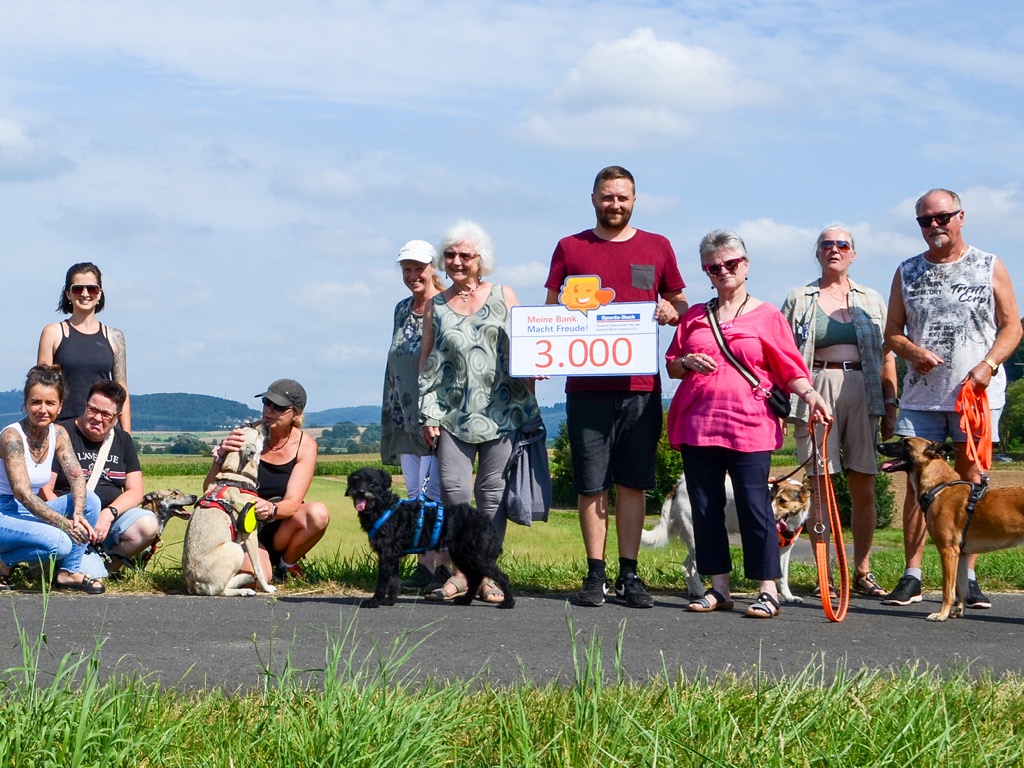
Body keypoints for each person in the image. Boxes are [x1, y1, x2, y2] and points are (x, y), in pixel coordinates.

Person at [665, 230, 831, 618]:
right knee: (706, 509)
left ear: (746, 266)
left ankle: (768, 589)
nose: (723, 271)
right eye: (714, 266)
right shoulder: (694, 317)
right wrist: (686, 362)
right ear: (706, 271)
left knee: (756, 507)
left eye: (731, 264)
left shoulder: (768, 315)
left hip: (750, 427)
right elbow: (673, 364)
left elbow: (791, 368)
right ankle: (718, 588)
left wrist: (811, 396)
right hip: (698, 425)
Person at [544, 166, 687, 608]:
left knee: (633, 482)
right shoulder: (570, 247)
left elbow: (681, 302)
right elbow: (550, 310)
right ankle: (594, 574)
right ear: (593, 199)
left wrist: (670, 309)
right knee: (591, 484)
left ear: (634, 200)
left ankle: (629, 574)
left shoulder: (658, 246)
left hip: (640, 387)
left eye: (622, 198)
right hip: (585, 387)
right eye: (607, 197)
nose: (615, 205)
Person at [882, 188, 1023, 608]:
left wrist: (989, 366)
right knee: (916, 488)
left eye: (942, 217)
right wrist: (911, 351)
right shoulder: (907, 271)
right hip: (922, 398)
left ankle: (968, 576)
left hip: (974, 398)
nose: (935, 226)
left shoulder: (988, 265)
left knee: (972, 486)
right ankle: (913, 575)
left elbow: (1012, 327)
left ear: (961, 216)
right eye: (926, 220)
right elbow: (891, 333)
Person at [419, 220, 540, 603]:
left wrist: (536, 371)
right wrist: (428, 414)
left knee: (491, 495)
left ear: (480, 260)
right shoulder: (435, 306)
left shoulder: (504, 294)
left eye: (465, 255)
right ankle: (460, 573)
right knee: (455, 497)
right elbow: (427, 361)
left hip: (502, 413)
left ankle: (486, 575)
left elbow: (525, 346)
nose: (456, 261)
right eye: (450, 254)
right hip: (452, 416)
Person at [780, 225, 899, 598]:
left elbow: (887, 356)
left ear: (853, 254)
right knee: (820, 486)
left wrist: (891, 403)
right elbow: (780, 351)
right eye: (827, 244)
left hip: (864, 390)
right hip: (816, 388)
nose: (834, 249)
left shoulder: (873, 300)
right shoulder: (800, 297)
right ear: (818, 253)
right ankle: (824, 574)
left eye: (842, 244)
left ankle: (862, 570)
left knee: (863, 486)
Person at [209, 379, 330, 582]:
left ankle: (286, 565)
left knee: (318, 514)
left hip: (280, 524)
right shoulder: (244, 436)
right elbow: (210, 490)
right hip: (243, 527)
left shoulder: (306, 446)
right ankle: (261, 566)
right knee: (258, 579)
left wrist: (271, 508)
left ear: (297, 414)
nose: (270, 410)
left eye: (280, 407)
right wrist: (220, 457)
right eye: (267, 402)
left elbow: (292, 503)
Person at [0, 365, 103, 593]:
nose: (42, 410)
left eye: (50, 403)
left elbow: (77, 477)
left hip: (22, 511)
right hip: (3, 510)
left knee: (91, 501)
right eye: (36, 402)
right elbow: (24, 494)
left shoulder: (58, 434)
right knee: (61, 543)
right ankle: (3, 563)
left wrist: (76, 513)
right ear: (25, 404)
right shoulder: (11, 437)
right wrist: (64, 524)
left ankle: (69, 573)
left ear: (60, 406)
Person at [381, 240, 444, 593]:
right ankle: (423, 566)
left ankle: (443, 568)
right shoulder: (401, 309)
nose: (412, 275)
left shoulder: (446, 305)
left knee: (434, 493)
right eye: (406, 268)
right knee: (414, 495)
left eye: (418, 268)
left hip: (432, 417)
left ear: (433, 267)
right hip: (404, 416)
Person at [42, 380, 155, 575]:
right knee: (91, 575)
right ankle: (87, 568)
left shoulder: (123, 441)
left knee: (147, 524)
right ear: (85, 405)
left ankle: (109, 566)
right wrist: (71, 522)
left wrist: (109, 514)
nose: (97, 418)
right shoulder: (61, 434)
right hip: (70, 522)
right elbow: (45, 489)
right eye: (93, 410)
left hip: (107, 524)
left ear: (117, 417)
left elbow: (136, 491)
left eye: (106, 414)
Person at [38, 263, 131, 432]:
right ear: (68, 294)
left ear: (100, 293)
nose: (85, 294)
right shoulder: (53, 333)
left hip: (103, 428)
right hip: (63, 428)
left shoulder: (115, 337)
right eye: (78, 289)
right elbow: (42, 386)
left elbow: (122, 388)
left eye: (92, 289)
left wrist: (126, 437)